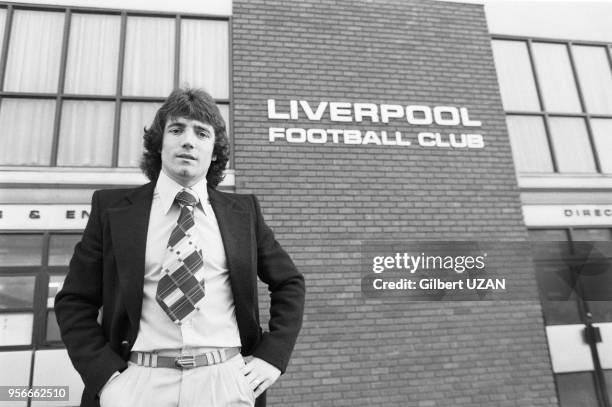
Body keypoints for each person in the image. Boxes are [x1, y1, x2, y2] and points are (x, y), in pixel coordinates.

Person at [55, 88, 305, 407]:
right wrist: (105, 377)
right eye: (177, 129)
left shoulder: (243, 213)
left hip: (226, 383)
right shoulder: (111, 208)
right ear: (160, 143)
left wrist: (273, 356)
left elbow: (289, 283)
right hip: (137, 386)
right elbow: (74, 300)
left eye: (201, 133)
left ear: (214, 150)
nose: (188, 140)